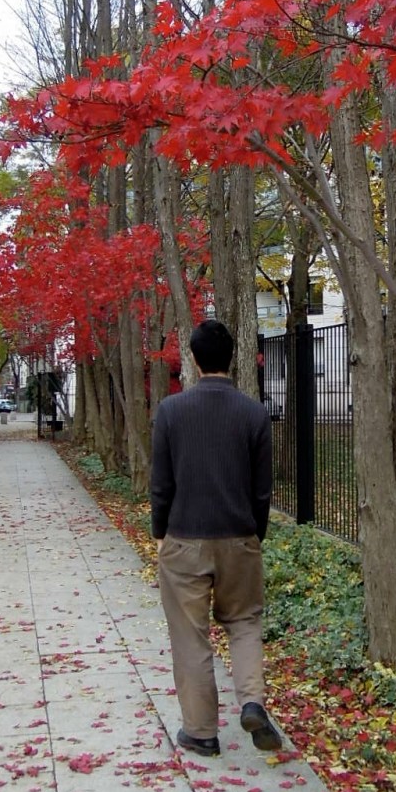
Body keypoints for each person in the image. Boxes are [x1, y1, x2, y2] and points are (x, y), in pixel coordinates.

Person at [150, 319, 281, 757]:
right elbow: (262, 488)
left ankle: (202, 732)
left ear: (193, 359)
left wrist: (159, 532)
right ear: (233, 359)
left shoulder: (171, 412)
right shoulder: (254, 413)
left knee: (191, 636)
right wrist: (253, 534)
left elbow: (161, 484)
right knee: (244, 623)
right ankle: (251, 701)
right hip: (240, 536)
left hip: (184, 537)